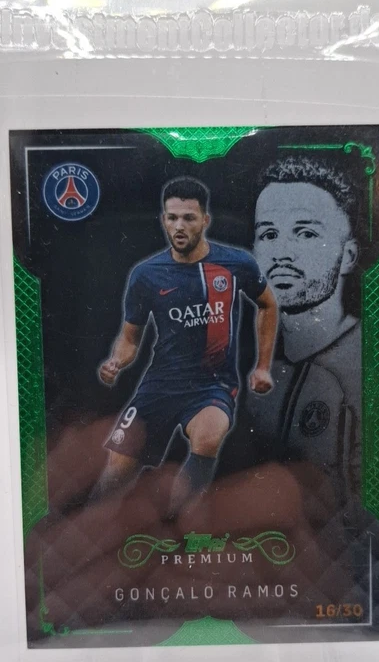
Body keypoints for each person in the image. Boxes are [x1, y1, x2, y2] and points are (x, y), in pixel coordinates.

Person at [94, 176, 278, 512]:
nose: (179, 226)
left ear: (205, 220)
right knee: (117, 471)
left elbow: (267, 304)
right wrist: (116, 362)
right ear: (163, 220)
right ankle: (92, 525)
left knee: (209, 436)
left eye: (189, 218)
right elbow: (130, 338)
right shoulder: (146, 274)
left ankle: (173, 522)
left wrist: (262, 366)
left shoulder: (237, 264)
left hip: (212, 385)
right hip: (160, 385)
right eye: (172, 217)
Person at [245, 155, 363, 507]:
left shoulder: (373, 365)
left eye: (306, 233)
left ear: (348, 256)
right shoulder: (247, 368)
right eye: (269, 234)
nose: (282, 253)